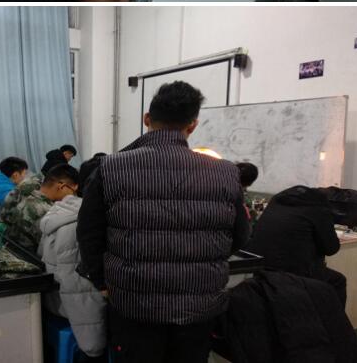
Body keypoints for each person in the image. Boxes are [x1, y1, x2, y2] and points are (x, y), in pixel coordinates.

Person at [77, 81, 250, 363]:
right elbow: (241, 235)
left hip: (134, 304)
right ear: (192, 125)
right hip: (199, 305)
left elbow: (88, 234)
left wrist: (101, 282)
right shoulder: (226, 173)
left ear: (147, 119)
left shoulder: (110, 167)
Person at [39, 156, 107, 363]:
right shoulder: (84, 220)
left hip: (52, 299)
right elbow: (80, 283)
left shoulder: (56, 213)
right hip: (73, 306)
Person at [247, 185, 346, 305]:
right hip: (294, 273)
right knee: (338, 281)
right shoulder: (319, 208)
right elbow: (331, 248)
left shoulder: (276, 201)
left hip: (258, 267)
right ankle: (332, 317)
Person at [0, 165, 79, 253]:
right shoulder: (47, 213)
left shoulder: (23, 196)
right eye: (73, 191)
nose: (73, 196)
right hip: (29, 258)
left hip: (10, 249)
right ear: (62, 186)